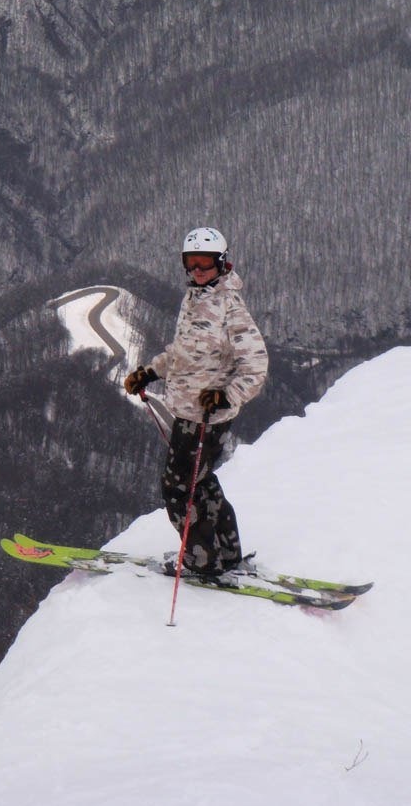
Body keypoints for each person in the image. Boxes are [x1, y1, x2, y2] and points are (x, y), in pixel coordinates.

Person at [123, 227, 268, 576]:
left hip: (206, 416)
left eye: (205, 263)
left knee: (178, 488)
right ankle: (226, 553)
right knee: (199, 482)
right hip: (187, 409)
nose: (198, 270)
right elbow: (184, 352)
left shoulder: (229, 306)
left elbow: (256, 364)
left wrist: (226, 395)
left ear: (222, 263)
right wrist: (151, 372)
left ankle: (200, 562)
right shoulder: (196, 297)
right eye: (192, 263)